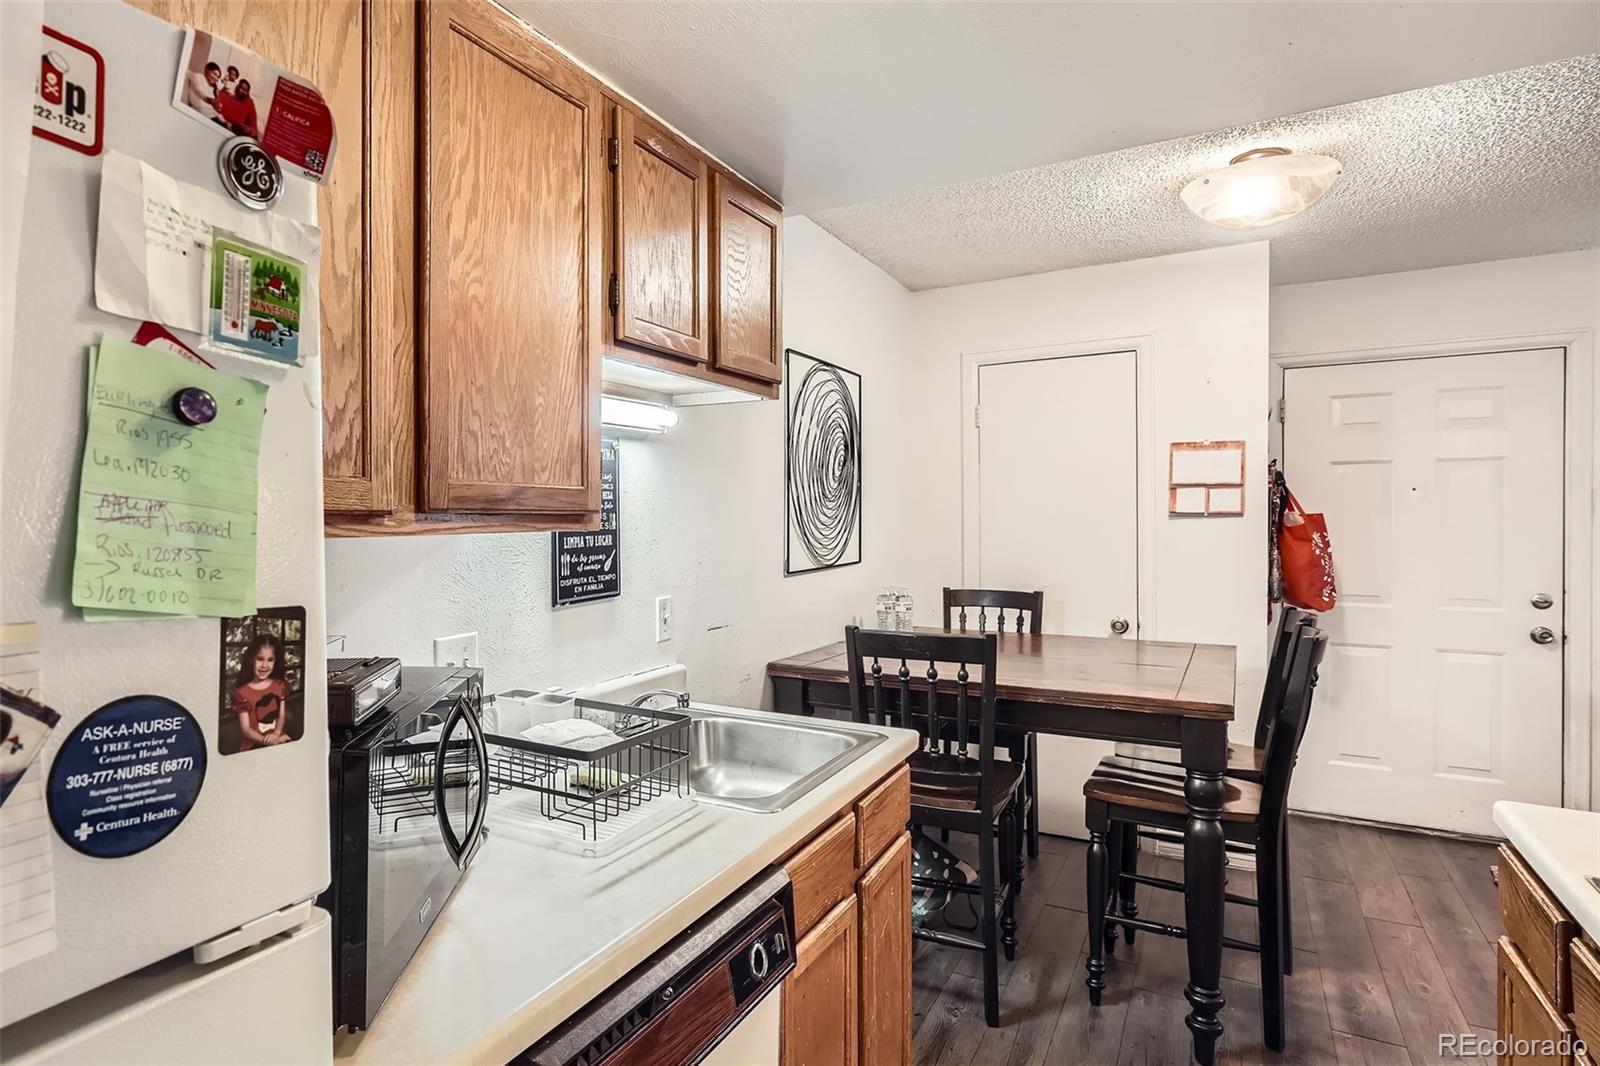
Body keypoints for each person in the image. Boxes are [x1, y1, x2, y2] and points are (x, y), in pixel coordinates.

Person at [230, 632, 292, 750]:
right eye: (260, 659)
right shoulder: (241, 693)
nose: (264, 665)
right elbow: (246, 730)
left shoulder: (280, 686)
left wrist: (276, 733)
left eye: (270, 660)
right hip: (254, 744)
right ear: (251, 659)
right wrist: (266, 741)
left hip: (276, 737)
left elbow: (281, 715)